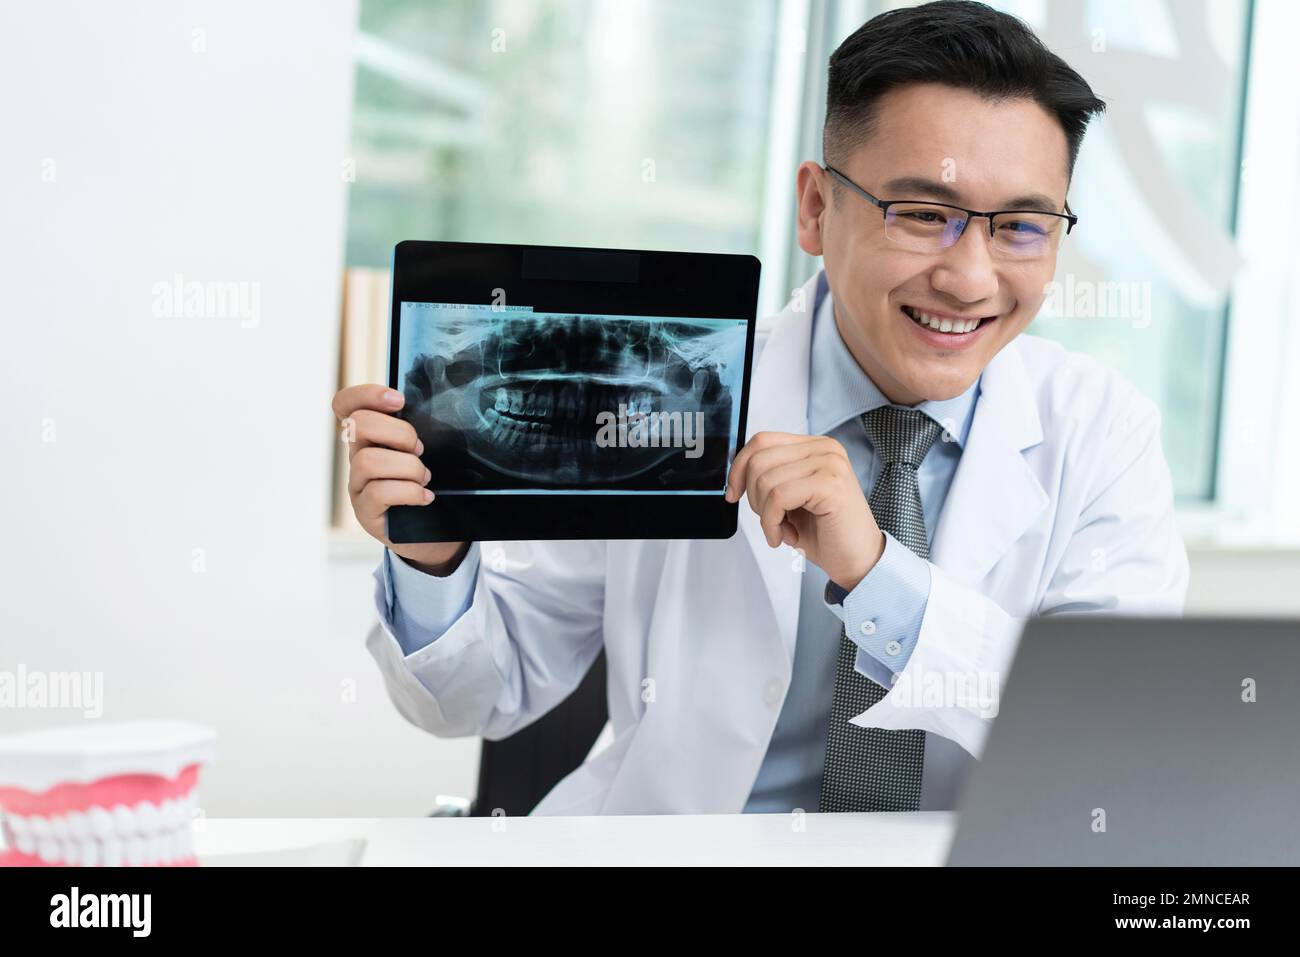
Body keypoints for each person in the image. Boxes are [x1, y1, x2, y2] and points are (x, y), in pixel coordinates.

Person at [330, 0, 1188, 815]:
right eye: (924, 214)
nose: (969, 279)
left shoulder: (1100, 430)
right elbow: (478, 696)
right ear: (816, 208)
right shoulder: (664, 395)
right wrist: (433, 556)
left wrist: (879, 576)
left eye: (1021, 227)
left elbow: (1113, 738)